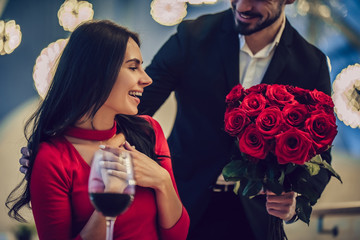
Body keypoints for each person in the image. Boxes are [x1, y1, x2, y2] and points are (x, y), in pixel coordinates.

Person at [138, 0, 333, 239]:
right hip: (182, 204)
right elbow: (137, 107)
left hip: (257, 221)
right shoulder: (191, 36)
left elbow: (321, 155)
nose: (242, 6)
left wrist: (294, 204)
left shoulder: (311, 64)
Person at [7, 20, 189, 240]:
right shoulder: (51, 159)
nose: (147, 79)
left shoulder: (149, 131)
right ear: (97, 73)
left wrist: (161, 180)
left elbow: (178, 235)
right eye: (133, 67)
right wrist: (109, 196)